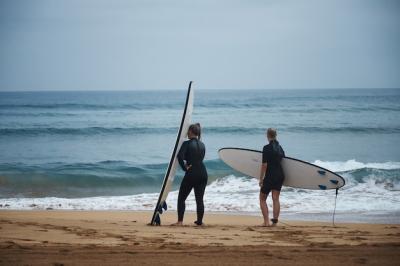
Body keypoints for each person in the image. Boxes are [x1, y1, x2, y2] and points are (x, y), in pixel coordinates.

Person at [172, 123, 208, 226]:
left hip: (192, 173)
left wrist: (184, 168)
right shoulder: (202, 145)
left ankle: (180, 221)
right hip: (203, 173)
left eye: (188, 131)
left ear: (191, 132)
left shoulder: (186, 144)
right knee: (199, 199)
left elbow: (179, 157)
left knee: (181, 198)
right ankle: (200, 222)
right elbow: (200, 158)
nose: (187, 133)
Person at [259, 128, 285, 226]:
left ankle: (266, 222)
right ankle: (274, 223)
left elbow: (264, 165)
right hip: (280, 175)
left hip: (270, 176)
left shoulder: (266, 148)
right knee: (275, 199)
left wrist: (261, 179)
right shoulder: (280, 148)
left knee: (262, 199)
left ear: (267, 135)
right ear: (276, 135)